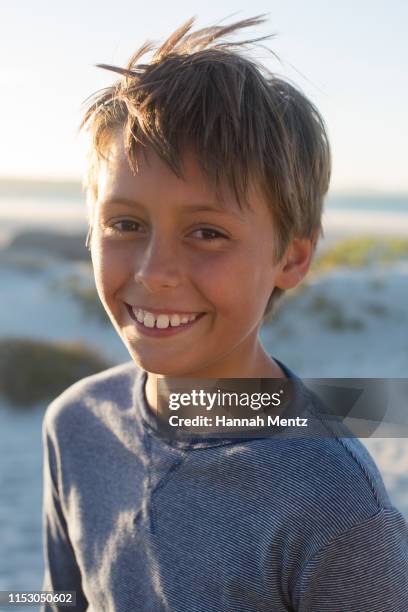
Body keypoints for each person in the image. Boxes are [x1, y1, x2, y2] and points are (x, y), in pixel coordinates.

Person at [41, 15, 408, 611]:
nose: (154, 270)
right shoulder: (76, 425)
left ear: (291, 258)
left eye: (207, 232)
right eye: (125, 224)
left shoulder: (338, 514)